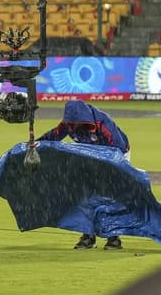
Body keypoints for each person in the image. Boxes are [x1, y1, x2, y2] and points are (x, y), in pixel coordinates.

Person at [36, 100, 131, 250]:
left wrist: (108, 171)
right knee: (84, 195)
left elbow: (118, 148)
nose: (74, 127)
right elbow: (54, 135)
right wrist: (35, 145)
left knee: (109, 196)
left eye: (78, 124)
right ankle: (88, 236)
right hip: (90, 156)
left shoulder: (103, 123)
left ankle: (113, 237)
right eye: (72, 124)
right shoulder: (69, 124)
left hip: (116, 157)